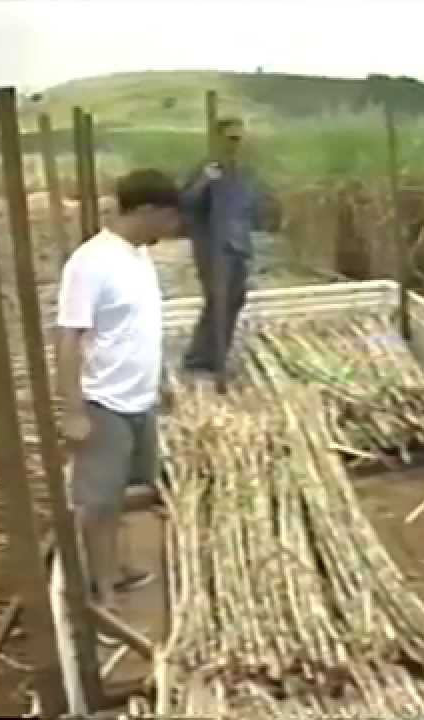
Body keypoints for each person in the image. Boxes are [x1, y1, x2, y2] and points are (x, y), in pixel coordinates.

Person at [56, 168, 182, 610]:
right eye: (169, 217)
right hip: (104, 402)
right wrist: (73, 411)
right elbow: (69, 338)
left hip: (140, 400)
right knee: (98, 501)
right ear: (146, 210)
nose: (174, 226)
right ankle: (102, 588)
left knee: (126, 490)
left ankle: (116, 567)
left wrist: (159, 382)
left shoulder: (139, 256)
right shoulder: (90, 263)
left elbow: (139, 329)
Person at [180, 116, 271, 393]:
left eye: (239, 139)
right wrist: (205, 182)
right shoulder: (207, 169)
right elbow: (185, 202)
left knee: (235, 298)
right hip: (212, 246)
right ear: (219, 139)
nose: (236, 144)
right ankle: (201, 358)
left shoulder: (243, 172)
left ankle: (218, 353)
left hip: (237, 245)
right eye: (231, 138)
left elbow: (249, 209)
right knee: (217, 299)